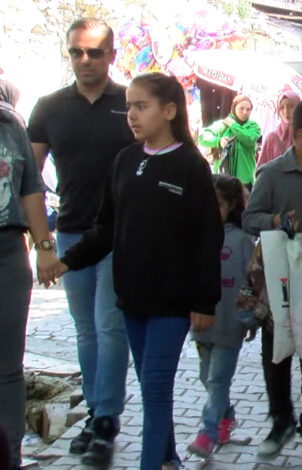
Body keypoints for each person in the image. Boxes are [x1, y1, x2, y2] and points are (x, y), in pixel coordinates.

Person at [50, 73, 224, 470]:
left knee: (157, 389)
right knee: (149, 385)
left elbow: (208, 239)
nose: (131, 114)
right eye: (128, 105)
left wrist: (204, 300)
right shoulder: (125, 161)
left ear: (169, 110)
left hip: (173, 301)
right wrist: (66, 261)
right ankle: (167, 457)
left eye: (141, 106)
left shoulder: (191, 166)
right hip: (131, 298)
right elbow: (105, 229)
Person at [27, 18, 135, 464]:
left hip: (120, 236)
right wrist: (42, 243)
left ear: (111, 54)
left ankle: (106, 418)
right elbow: (28, 178)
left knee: (110, 328)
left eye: (94, 52)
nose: (84, 60)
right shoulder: (49, 107)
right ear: (68, 54)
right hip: (72, 233)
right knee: (86, 330)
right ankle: (95, 412)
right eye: (76, 52)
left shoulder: (132, 101)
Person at [243, 100, 302, 465]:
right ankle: (281, 419)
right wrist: (275, 221)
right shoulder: (271, 174)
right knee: (277, 353)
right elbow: (250, 217)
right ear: (301, 136)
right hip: (281, 283)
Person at [0, 81, 58, 470]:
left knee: (7, 368)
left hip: (6, 252)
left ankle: (9, 456)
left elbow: (29, 189)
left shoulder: (8, 124)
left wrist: (45, 248)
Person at [187, 174, 254, 458]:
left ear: (231, 206)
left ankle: (207, 433)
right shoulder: (193, 238)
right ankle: (226, 415)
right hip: (202, 324)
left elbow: (252, 283)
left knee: (217, 379)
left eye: (218, 203)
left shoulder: (241, 241)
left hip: (230, 324)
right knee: (207, 376)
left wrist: (250, 319)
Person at [199, 95, 261, 188]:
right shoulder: (223, 125)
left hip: (244, 182)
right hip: (222, 179)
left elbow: (249, 139)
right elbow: (202, 137)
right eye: (241, 108)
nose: (245, 112)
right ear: (234, 108)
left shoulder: (254, 127)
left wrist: (233, 125)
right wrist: (218, 141)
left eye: (248, 109)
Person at [255, 91, 300, 168]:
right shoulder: (272, 137)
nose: (286, 112)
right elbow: (261, 170)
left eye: (291, 106)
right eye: (282, 108)